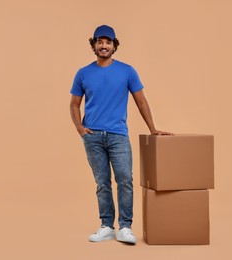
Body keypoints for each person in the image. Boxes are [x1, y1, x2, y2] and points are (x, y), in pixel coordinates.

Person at [69, 25, 173, 244]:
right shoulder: (83, 73)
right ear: (94, 45)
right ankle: (106, 225)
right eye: (100, 42)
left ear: (114, 46)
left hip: (118, 135)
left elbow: (141, 101)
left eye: (108, 42)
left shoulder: (127, 71)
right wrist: (80, 128)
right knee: (102, 182)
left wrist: (152, 128)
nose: (104, 46)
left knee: (125, 179)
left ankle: (125, 227)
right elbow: (74, 104)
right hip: (93, 136)